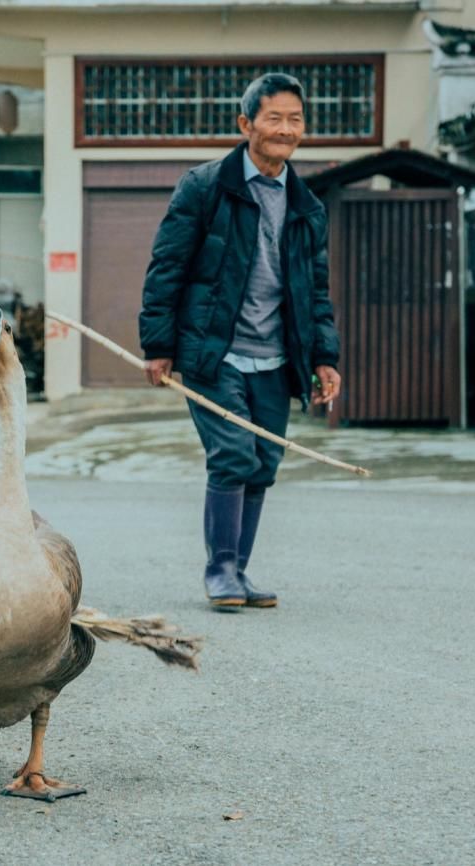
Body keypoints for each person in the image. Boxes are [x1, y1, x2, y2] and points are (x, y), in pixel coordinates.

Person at [138, 72, 341, 610]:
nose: (286, 129)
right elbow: (167, 267)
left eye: (295, 119)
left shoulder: (306, 205)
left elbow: (316, 290)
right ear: (245, 123)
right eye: (274, 117)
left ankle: (240, 571)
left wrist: (324, 356)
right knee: (232, 454)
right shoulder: (206, 187)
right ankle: (220, 569)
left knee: (263, 464)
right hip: (214, 350)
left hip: (277, 357)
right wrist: (157, 345)